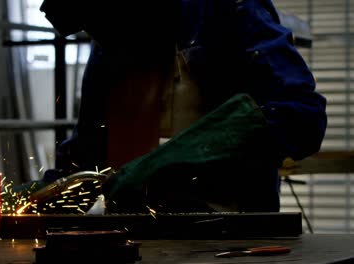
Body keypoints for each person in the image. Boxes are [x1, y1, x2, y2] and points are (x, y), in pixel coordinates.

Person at [40, 0, 327, 213]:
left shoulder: (226, 10)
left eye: (103, 21)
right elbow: (88, 155)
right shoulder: (109, 46)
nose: (102, 36)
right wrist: (48, 189)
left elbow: (302, 116)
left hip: (234, 236)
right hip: (136, 239)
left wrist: (180, 156)